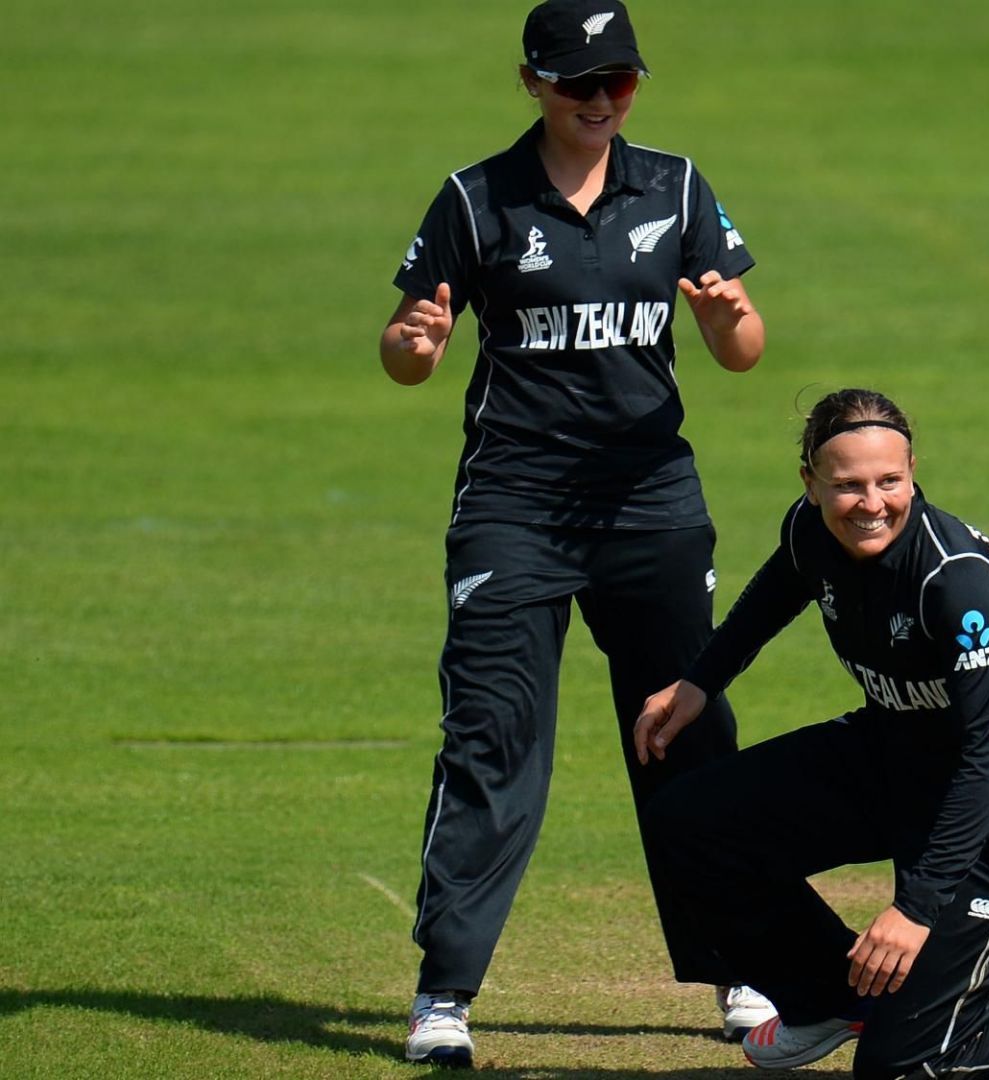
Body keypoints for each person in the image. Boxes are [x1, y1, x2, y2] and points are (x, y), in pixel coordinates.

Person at [378, 0, 774, 1065]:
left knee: (685, 729)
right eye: (578, 85)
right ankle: (443, 996)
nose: (601, 102)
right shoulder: (476, 198)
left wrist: (727, 319)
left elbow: (742, 349)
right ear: (533, 83)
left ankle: (741, 966)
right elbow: (409, 349)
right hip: (515, 509)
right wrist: (415, 343)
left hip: (651, 506)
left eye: (621, 83)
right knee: (495, 740)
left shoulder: (677, 185)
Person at [632, 389, 989, 1080]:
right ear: (810, 485)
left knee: (904, 1069)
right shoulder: (812, 528)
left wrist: (915, 907)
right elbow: (786, 579)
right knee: (688, 823)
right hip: (893, 757)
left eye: (889, 481)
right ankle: (830, 1000)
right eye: (845, 485)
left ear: (912, 473)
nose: (870, 503)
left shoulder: (955, 579)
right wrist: (700, 682)